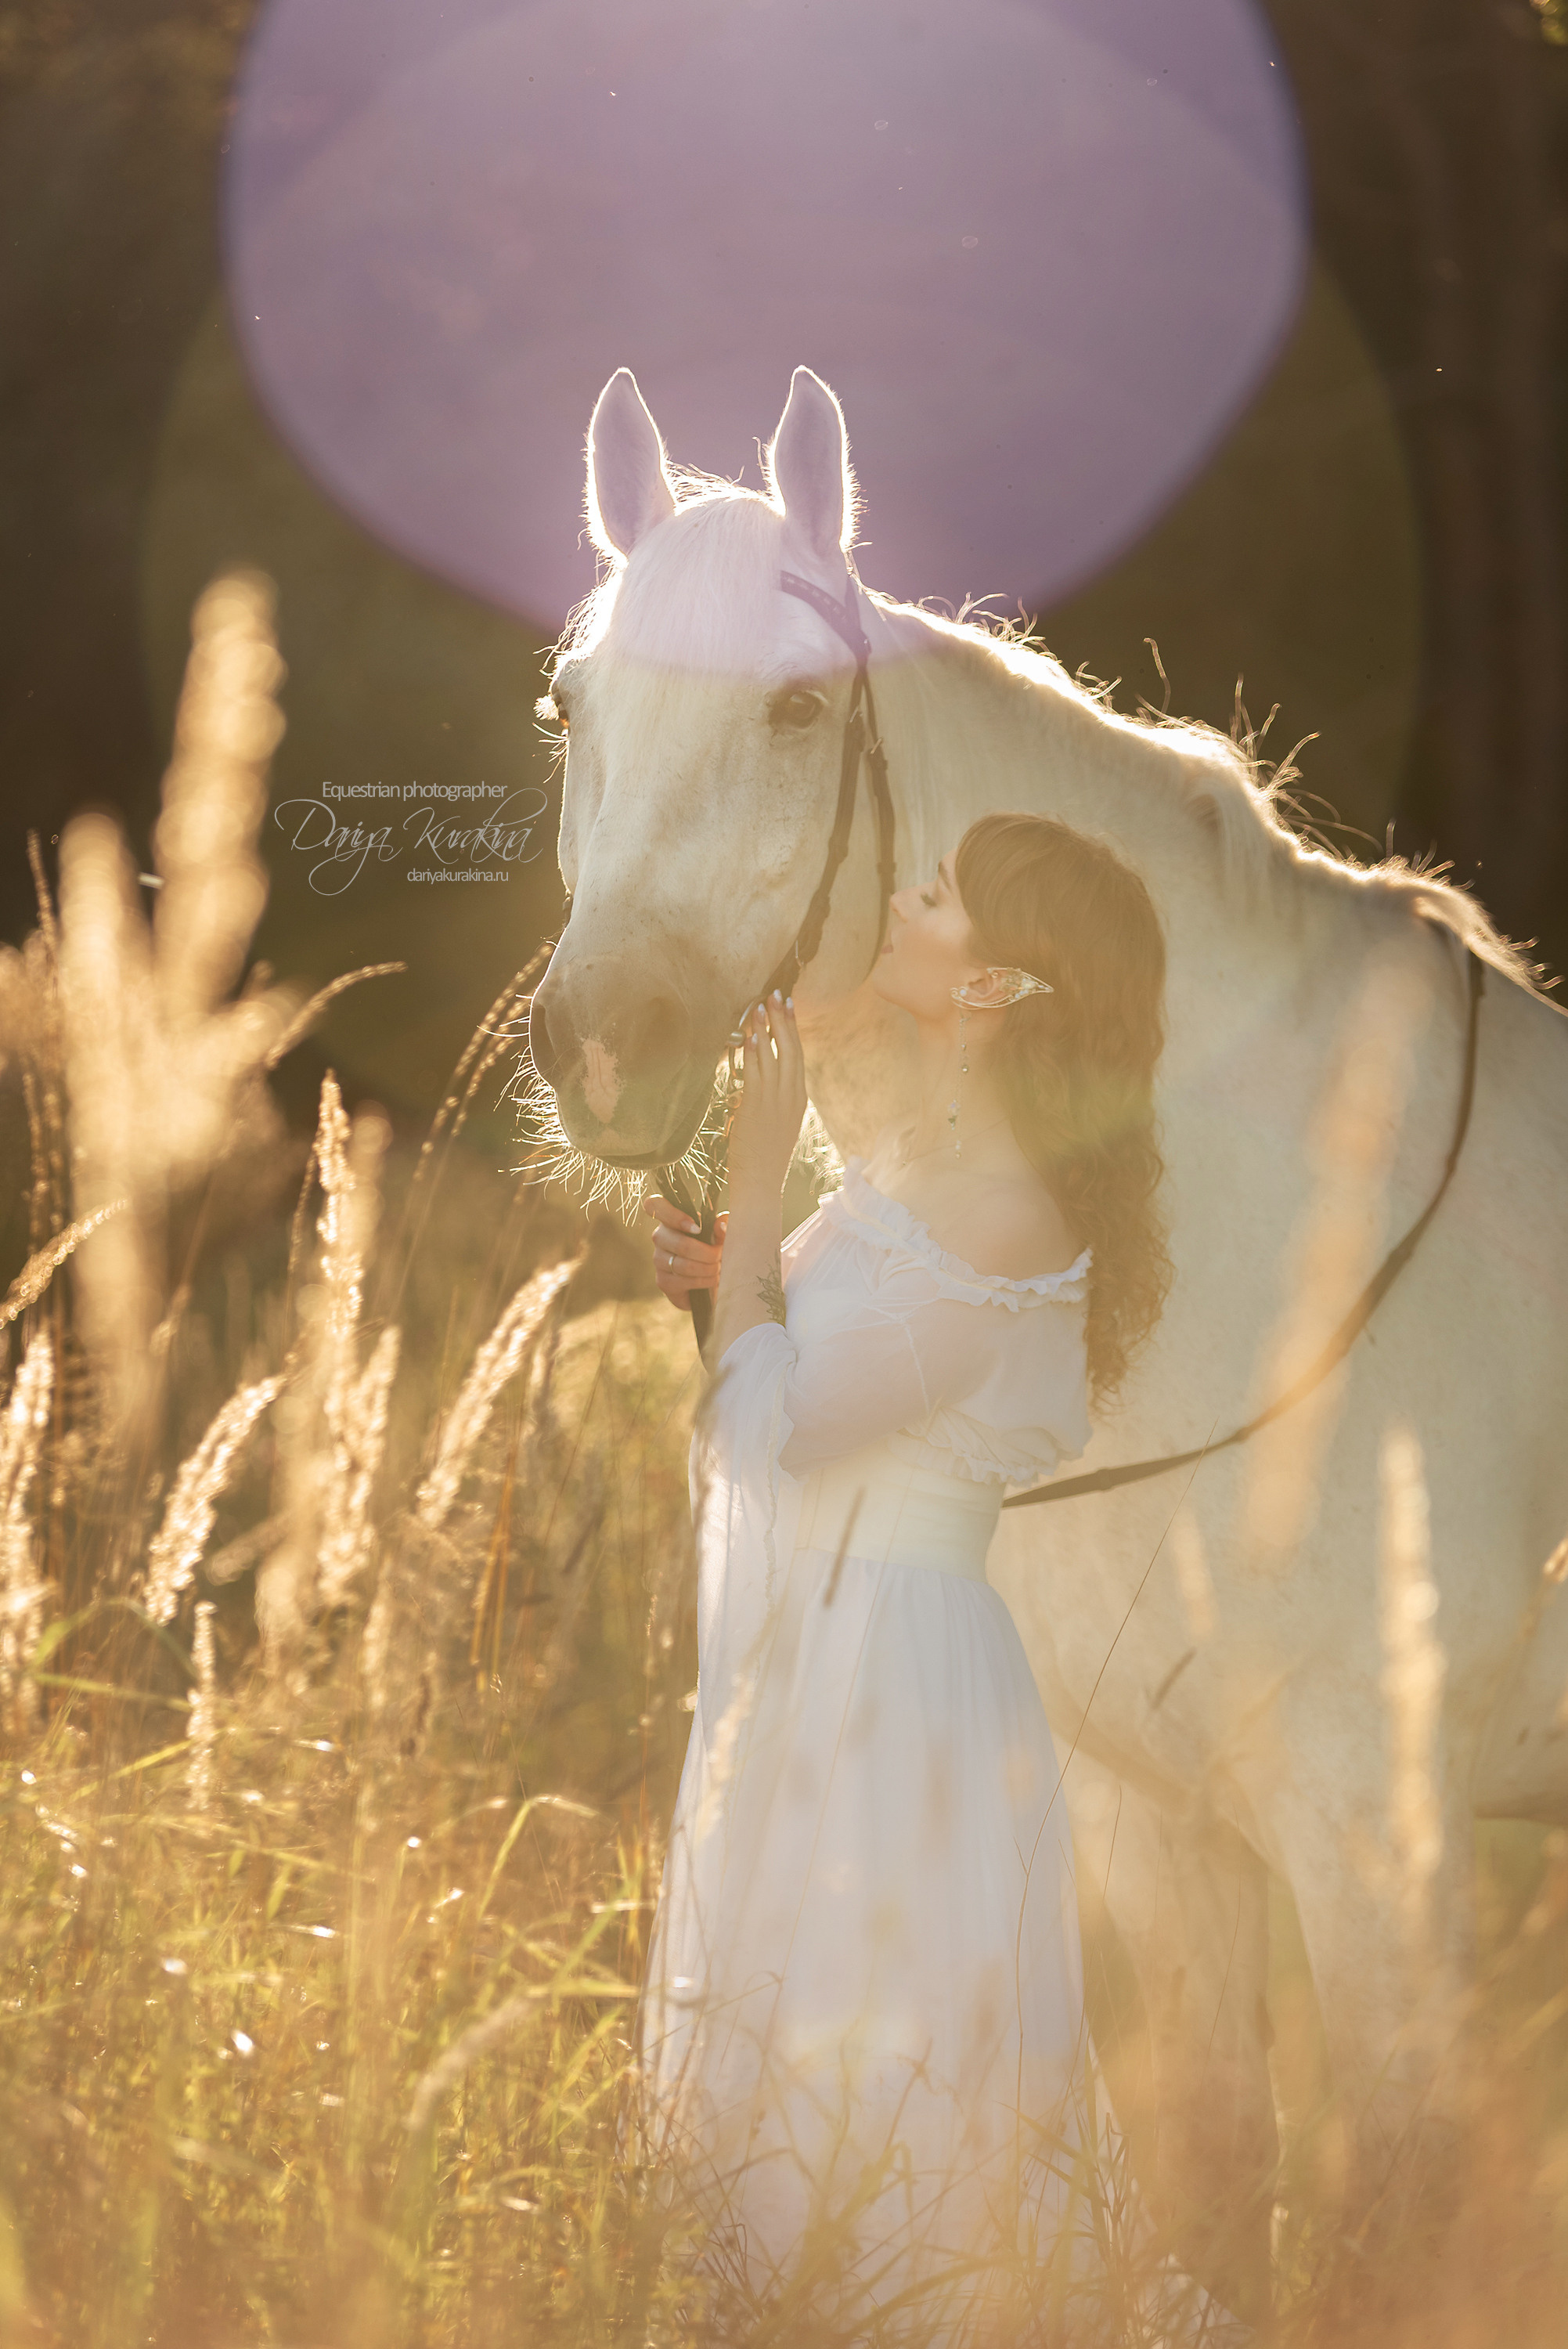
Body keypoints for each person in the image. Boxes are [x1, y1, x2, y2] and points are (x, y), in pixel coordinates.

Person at [634, 812, 1206, 2341]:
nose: (905, 896)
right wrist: (736, 1267)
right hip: (828, 1651)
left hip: (900, 1672)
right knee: (789, 2021)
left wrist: (757, 1195)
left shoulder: (1010, 1213)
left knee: (884, 2057)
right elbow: (786, 1351)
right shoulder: (910, 1166)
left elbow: (789, 1432)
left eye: (939, 896)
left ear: (993, 989)